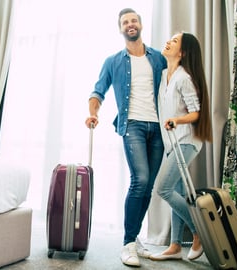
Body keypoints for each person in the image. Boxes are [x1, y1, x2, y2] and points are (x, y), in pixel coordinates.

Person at [85, 8, 167, 267]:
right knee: (140, 180)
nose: (130, 25)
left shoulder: (158, 58)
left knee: (148, 188)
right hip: (132, 125)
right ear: (121, 29)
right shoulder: (113, 61)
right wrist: (93, 114)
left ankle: (134, 240)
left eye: (133, 20)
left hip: (159, 129)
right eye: (125, 22)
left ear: (140, 25)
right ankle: (127, 244)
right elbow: (97, 92)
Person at [150, 32, 213, 261]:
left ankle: (198, 232)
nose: (168, 41)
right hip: (171, 143)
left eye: (174, 41)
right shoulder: (166, 73)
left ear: (182, 52)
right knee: (175, 192)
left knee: (163, 189)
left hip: (186, 141)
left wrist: (177, 120)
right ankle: (175, 245)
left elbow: (196, 112)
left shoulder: (184, 77)